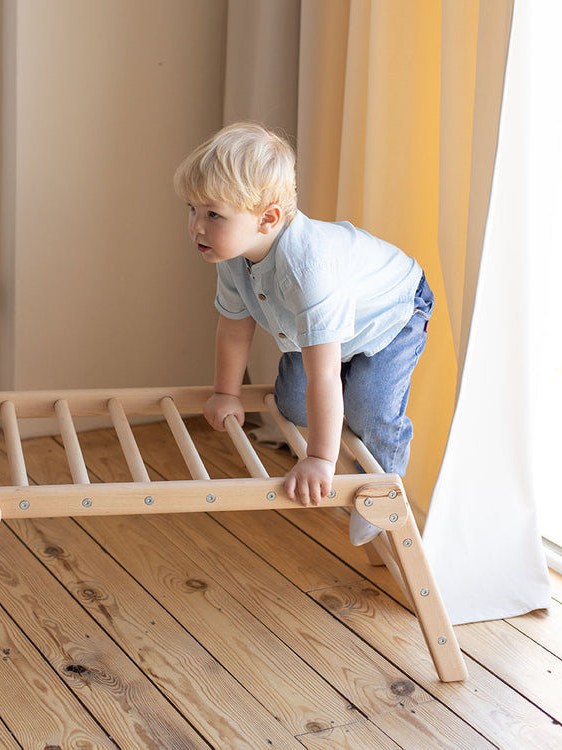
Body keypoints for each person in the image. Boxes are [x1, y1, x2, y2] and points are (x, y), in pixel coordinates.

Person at [173, 122, 433, 545]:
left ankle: (382, 486)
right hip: (318, 332)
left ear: (267, 219)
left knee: (369, 407)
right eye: (192, 210)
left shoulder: (307, 268)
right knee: (293, 406)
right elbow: (234, 327)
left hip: (390, 314)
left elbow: (325, 375)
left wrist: (319, 458)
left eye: (213, 214)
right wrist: (226, 392)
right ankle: (342, 422)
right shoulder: (231, 254)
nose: (197, 227)